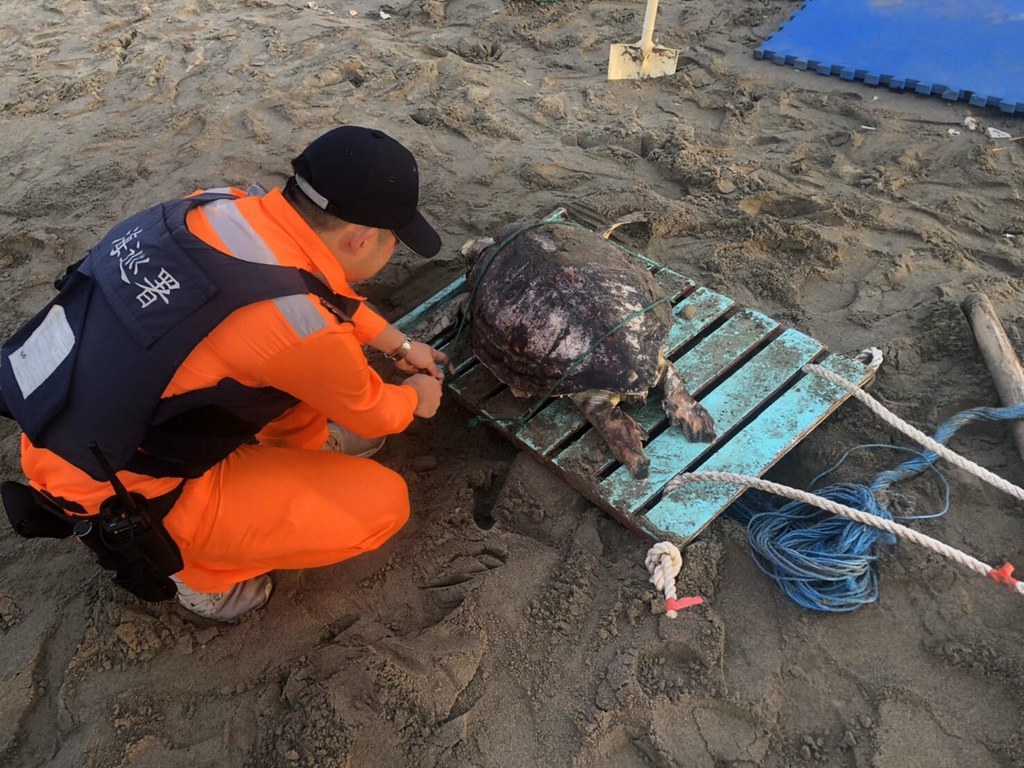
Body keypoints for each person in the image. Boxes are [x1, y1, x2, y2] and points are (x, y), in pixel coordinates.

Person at [0, 125, 450, 622]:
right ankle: (200, 577)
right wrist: (417, 396)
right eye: (393, 242)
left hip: (61, 422)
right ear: (361, 239)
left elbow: (314, 291)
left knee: (291, 376)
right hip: (124, 491)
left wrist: (399, 344)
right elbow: (373, 412)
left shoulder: (218, 207)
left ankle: (299, 456)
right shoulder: (298, 325)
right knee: (384, 504)